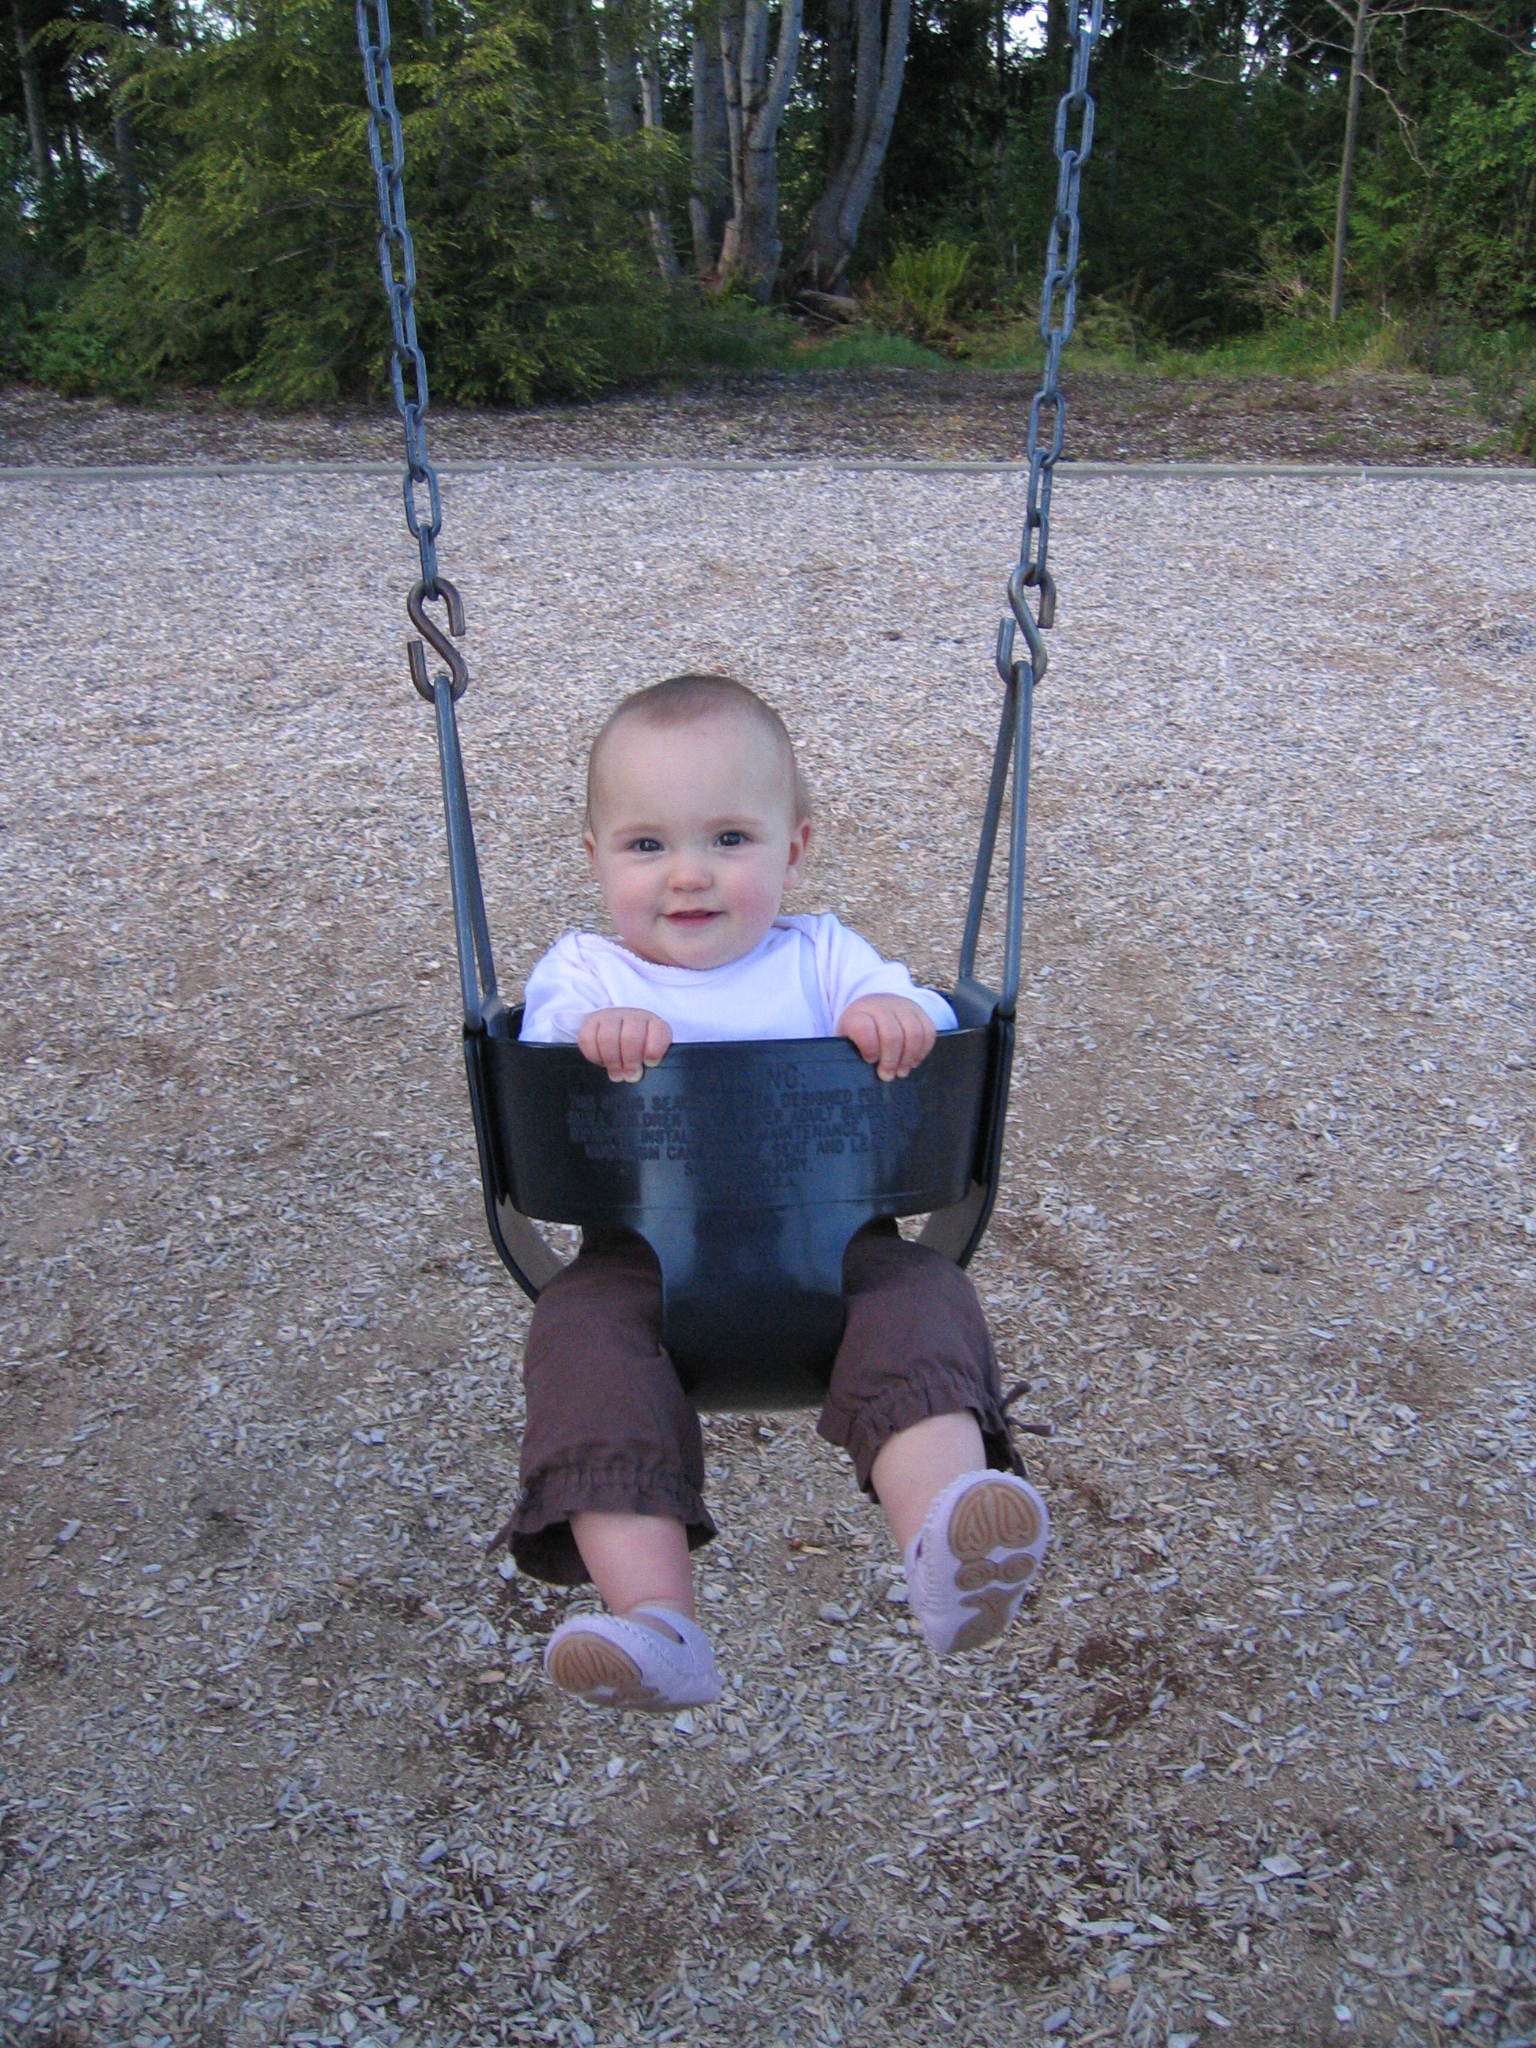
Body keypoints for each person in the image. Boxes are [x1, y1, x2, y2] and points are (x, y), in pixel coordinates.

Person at [508, 674, 1049, 1712]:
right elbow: (544, 1038)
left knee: (926, 1292)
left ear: (793, 848)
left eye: (728, 839)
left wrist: (894, 1012)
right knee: (575, 1338)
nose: (689, 876)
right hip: (645, 1264)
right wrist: (593, 1040)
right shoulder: (586, 972)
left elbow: (913, 1005)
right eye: (647, 844)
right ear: (594, 854)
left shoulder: (824, 956)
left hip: (839, 1245)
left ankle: (948, 1540)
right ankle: (658, 1621)